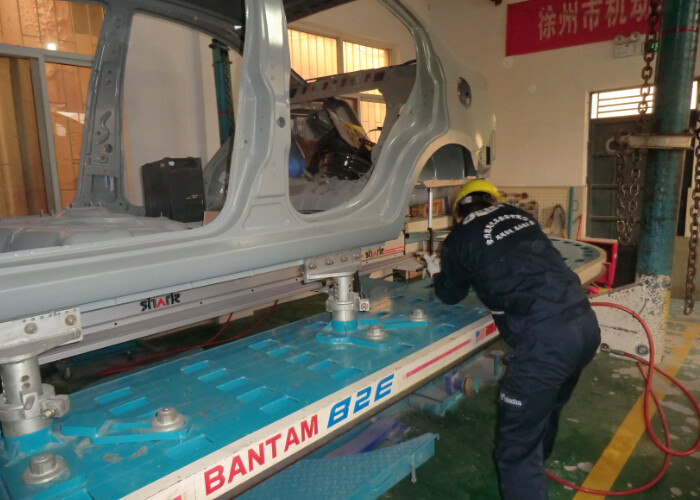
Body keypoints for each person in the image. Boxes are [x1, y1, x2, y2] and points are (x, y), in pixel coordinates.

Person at [423, 179, 600, 500]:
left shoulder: (459, 237)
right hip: (585, 325)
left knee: (515, 450)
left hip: (545, 343)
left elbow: (451, 294)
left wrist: (438, 272)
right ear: (494, 202)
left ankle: (528, 474)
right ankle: (538, 463)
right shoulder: (520, 216)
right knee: (547, 408)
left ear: (458, 214)